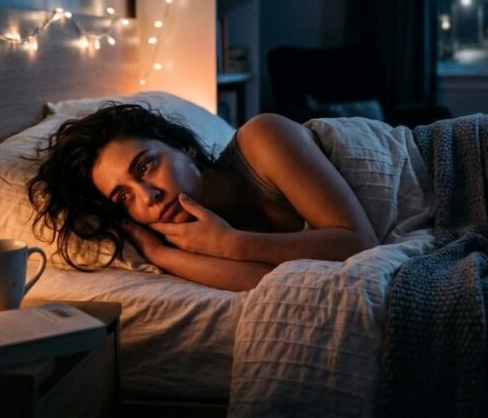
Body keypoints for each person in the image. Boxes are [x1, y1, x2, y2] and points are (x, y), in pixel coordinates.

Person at [28, 103, 421, 291]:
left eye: (146, 167)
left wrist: (231, 243)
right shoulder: (195, 237)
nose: (147, 196)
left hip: (461, 162)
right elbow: (275, 281)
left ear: (186, 149)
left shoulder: (262, 137)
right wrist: (164, 256)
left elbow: (359, 244)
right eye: (123, 198)